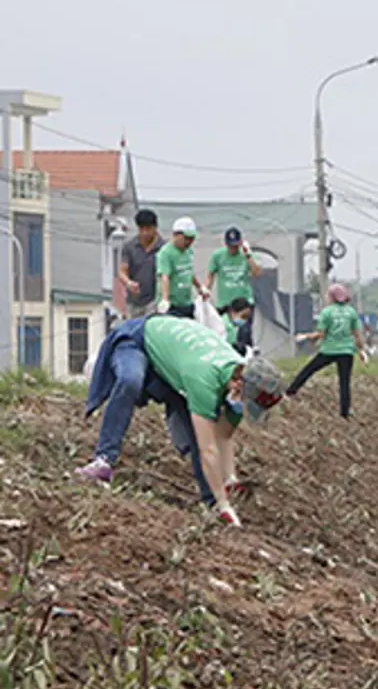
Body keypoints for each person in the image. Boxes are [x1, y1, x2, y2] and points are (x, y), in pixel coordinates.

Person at [76, 315, 284, 524]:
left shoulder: (238, 374)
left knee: (198, 432)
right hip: (138, 339)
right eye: (249, 402)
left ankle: (211, 504)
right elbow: (209, 449)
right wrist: (224, 503)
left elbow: (224, 436)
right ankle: (103, 460)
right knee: (130, 380)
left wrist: (230, 479)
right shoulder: (204, 379)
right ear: (240, 384)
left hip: (174, 360)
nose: (245, 406)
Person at [287, 283, 368, 419]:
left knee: (309, 369)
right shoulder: (351, 312)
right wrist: (361, 350)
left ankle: (290, 391)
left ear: (332, 297)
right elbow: (357, 334)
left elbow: (321, 334)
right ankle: (344, 412)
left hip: (329, 350)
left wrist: (305, 336)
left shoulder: (327, 312)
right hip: (347, 351)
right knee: (344, 382)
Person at [202, 227, 261, 353]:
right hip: (225, 302)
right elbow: (210, 275)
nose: (233, 249)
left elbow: (257, 272)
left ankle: (248, 357)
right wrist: (205, 291)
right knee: (224, 334)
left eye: (235, 246)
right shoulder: (218, 256)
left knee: (244, 334)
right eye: (230, 246)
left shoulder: (245, 255)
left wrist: (249, 255)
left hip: (244, 301)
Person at [118, 209, 163, 318]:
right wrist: (128, 283)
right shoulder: (130, 247)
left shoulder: (164, 248)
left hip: (154, 300)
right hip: (133, 302)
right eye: (141, 229)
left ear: (155, 228)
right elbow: (122, 271)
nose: (145, 233)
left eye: (148, 229)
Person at [155, 216, 200, 319]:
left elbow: (189, 271)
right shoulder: (165, 253)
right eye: (186, 238)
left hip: (186, 301)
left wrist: (199, 287)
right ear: (176, 235)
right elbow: (165, 276)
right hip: (172, 304)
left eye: (192, 239)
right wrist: (165, 299)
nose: (189, 242)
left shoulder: (188, 251)